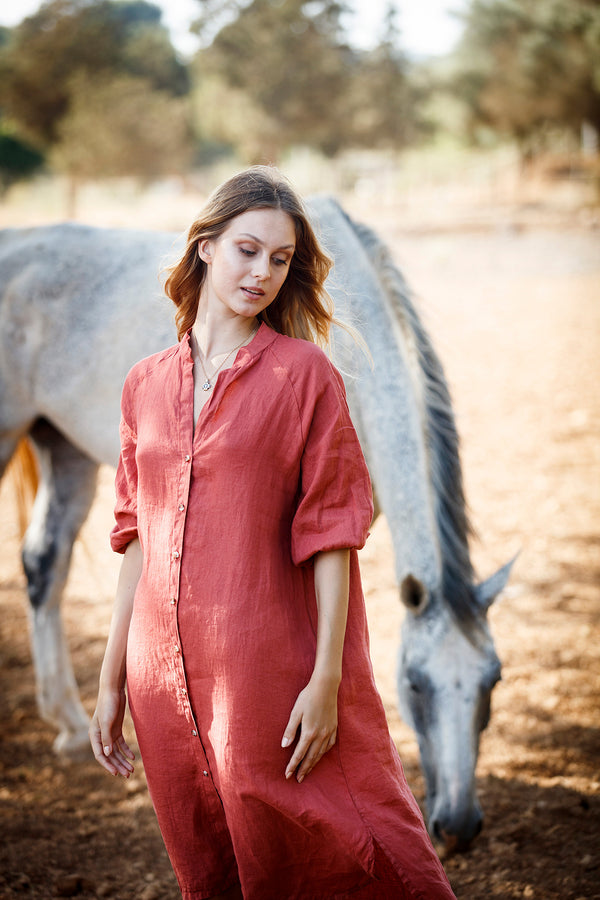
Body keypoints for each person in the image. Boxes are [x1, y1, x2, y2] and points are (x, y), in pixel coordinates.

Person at [90, 166, 457, 900]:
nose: (262, 272)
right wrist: (110, 681)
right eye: (246, 250)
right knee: (212, 862)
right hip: (162, 681)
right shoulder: (144, 383)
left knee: (357, 845)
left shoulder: (305, 375)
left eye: (280, 259)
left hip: (270, 675)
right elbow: (135, 536)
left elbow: (331, 535)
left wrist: (326, 681)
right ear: (205, 247)